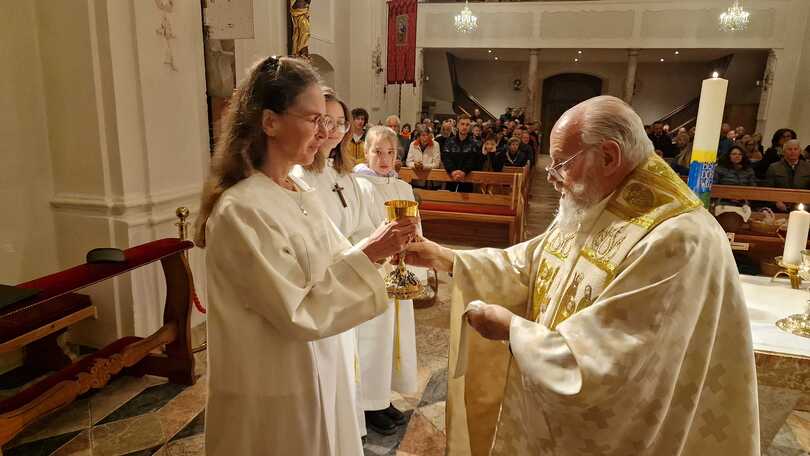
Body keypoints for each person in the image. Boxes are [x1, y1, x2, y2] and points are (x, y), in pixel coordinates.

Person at [403, 95, 759, 455]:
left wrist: (512, 330)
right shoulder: (594, 201)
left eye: (562, 164)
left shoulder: (676, 238)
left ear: (608, 156)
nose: (552, 176)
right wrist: (447, 258)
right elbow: (533, 262)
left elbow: (612, 361)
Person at [196, 56, 417, 455]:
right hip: (276, 382)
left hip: (322, 365)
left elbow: (336, 260)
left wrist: (381, 249)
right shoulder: (243, 209)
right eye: (314, 119)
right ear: (270, 122)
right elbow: (295, 310)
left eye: (328, 122)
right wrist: (369, 254)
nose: (324, 132)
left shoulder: (298, 189)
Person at [353, 126, 421, 436]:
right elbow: (357, 232)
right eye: (377, 151)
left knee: (396, 337)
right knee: (373, 339)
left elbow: (417, 226)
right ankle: (368, 405)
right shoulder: (357, 186)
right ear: (365, 152)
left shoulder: (403, 188)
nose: (384, 158)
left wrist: (411, 248)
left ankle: (383, 397)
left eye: (391, 152)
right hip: (374, 274)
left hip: (398, 270)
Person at [441, 114, 483, 192]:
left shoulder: (474, 143)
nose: (464, 127)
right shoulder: (449, 141)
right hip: (451, 177)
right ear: (457, 125)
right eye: (462, 124)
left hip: (467, 178)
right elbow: (446, 159)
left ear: (469, 127)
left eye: (467, 124)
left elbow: (473, 160)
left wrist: (464, 172)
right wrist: (453, 171)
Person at [766, 139, 810, 211]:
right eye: (789, 149)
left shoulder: (808, 167)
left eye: (795, 149)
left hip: (803, 206)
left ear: (800, 151)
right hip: (779, 206)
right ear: (784, 152)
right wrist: (776, 201)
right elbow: (768, 189)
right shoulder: (774, 167)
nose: (793, 152)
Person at [406, 124, 443, 189]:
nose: (425, 137)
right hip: (416, 179)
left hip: (431, 180)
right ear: (419, 136)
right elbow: (408, 162)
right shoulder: (413, 144)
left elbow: (436, 164)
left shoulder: (436, 145)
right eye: (423, 135)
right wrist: (414, 165)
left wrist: (424, 166)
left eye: (427, 135)